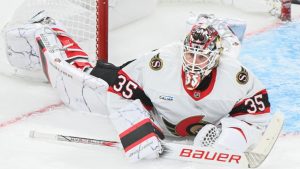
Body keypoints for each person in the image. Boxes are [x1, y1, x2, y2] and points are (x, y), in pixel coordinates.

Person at [4, 12, 271, 162]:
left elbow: (256, 116)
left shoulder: (235, 76)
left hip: (164, 99)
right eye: (190, 55)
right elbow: (121, 92)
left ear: (215, 57)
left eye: (201, 58)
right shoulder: (162, 62)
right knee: (82, 87)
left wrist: (228, 137)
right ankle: (47, 30)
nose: (193, 63)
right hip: (142, 86)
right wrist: (140, 129)